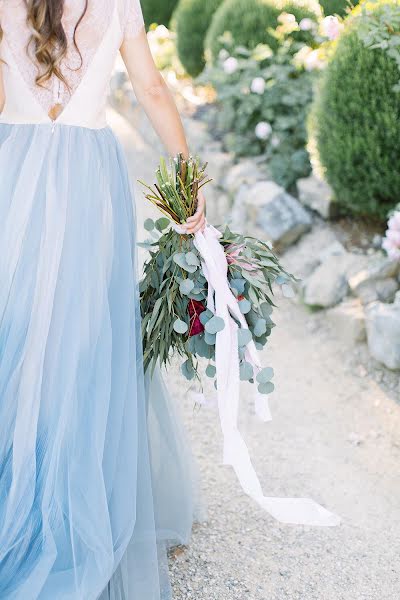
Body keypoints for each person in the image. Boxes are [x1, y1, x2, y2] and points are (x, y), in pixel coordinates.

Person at [0, 0, 205, 597]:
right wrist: (186, 177)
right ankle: (68, 492)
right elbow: (153, 89)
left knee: (15, 322)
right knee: (82, 330)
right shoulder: (119, 3)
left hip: (14, 175)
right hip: (87, 177)